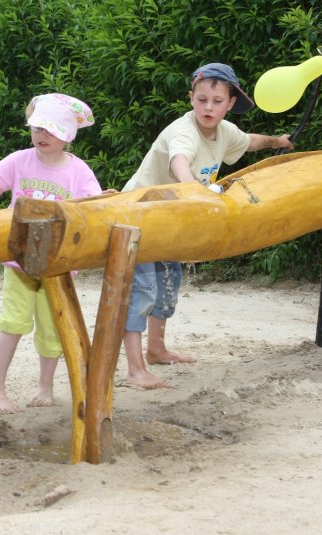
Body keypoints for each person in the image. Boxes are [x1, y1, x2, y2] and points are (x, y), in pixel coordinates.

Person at [119, 62, 291, 389]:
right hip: (137, 216)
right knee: (142, 290)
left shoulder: (225, 132)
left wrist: (276, 142)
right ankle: (134, 368)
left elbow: (249, 141)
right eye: (201, 100)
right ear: (191, 99)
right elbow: (179, 160)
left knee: (169, 284)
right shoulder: (184, 131)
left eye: (216, 101)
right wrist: (193, 188)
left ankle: (156, 349)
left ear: (230, 104)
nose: (208, 107)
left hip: (170, 219)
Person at [0, 93, 102, 413]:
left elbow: (93, 207)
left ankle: (45, 384)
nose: (42, 135)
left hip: (58, 265)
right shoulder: (19, 160)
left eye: (51, 129)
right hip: (20, 263)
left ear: (68, 135)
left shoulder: (79, 171)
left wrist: (104, 201)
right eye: (38, 128)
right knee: (13, 322)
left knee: (51, 327)